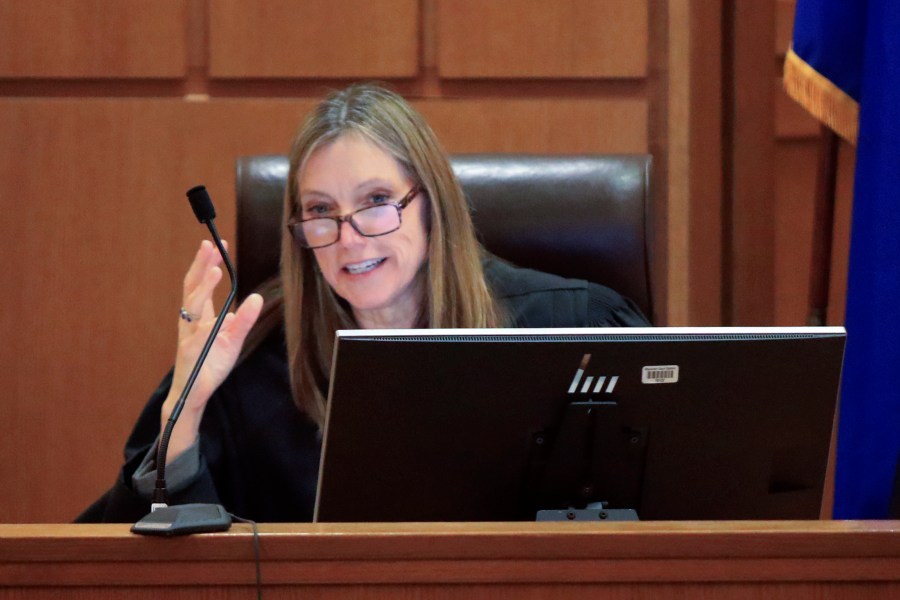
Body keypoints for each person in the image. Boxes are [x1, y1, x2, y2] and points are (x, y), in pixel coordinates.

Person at [77, 83, 649, 523]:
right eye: (321, 211)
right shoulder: (249, 360)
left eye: (376, 200)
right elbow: (138, 559)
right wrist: (188, 403)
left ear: (431, 203)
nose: (350, 238)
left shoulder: (575, 330)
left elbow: (673, 521)